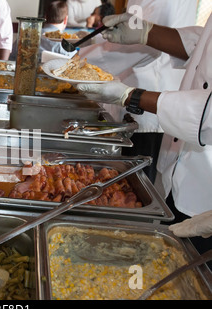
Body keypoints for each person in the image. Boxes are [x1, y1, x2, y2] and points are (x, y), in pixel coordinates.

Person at [77, 12, 212, 257]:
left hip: (205, 190)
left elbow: (208, 113)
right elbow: (202, 45)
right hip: (179, 168)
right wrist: (147, 32)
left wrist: (130, 95)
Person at [79, 0, 197, 183]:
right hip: (142, 98)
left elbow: (143, 46)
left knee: (134, 185)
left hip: (150, 105)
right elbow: (133, 33)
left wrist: (76, 63)